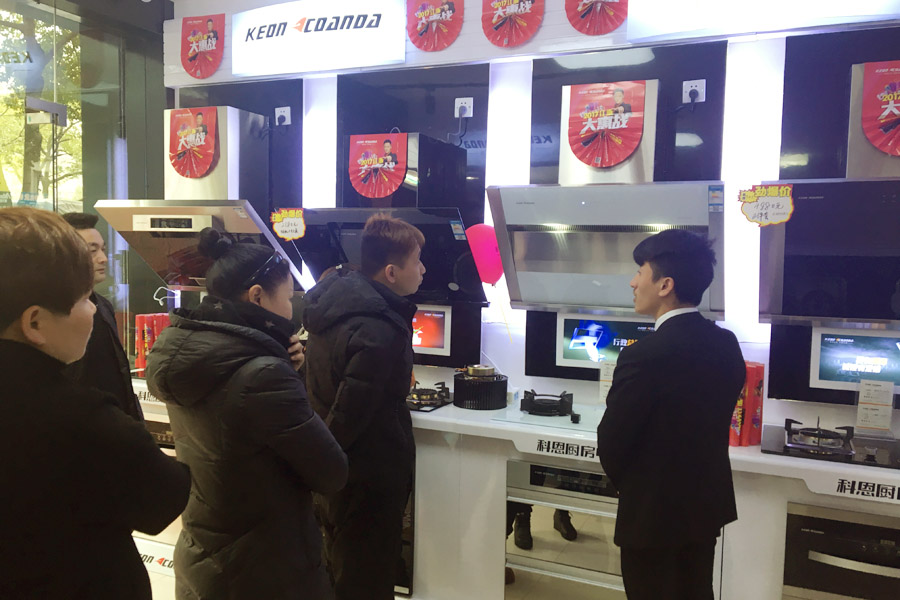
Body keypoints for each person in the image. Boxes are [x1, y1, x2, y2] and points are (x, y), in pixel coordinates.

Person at [146, 229, 348, 599]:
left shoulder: (188, 353)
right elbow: (331, 471)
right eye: (287, 297)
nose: (291, 310)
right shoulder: (264, 376)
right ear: (257, 296)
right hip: (266, 569)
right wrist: (285, 375)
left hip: (203, 553)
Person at [0, 206, 190, 599]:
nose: (93, 309)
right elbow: (164, 496)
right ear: (34, 323)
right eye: (84, 299)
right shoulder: (79, 419)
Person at [596, 229, 745, 600]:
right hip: (704, 508)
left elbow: (612, 442)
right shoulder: (726, 343)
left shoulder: (642, 356)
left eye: (640, 272)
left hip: (651, 516)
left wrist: (635, 486)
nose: (633, 282)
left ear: (665, 285)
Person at [303, 213, 426, 600]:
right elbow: (352, 413)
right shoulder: (379, 328)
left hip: (337, 475)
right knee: (365, 578)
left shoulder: (336, 306)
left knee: (339, 568)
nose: (423, 269)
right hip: (367, 478)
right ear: (391, 272)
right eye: (417, 261)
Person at [61, 212, 143, 421]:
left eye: (103, 249)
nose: (103, 258)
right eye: (92, 251)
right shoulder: (56, 313)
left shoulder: (103, 305)